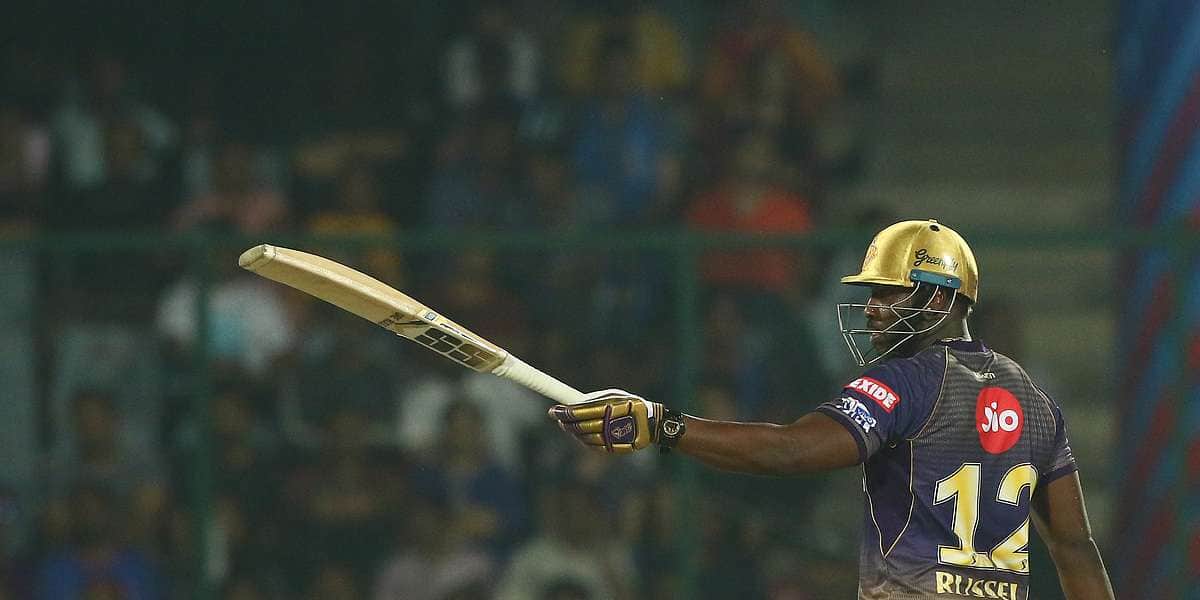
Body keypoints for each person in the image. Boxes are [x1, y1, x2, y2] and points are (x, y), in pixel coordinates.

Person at [548, 220, 1115, 599]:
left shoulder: (905, 381)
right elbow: (1075, 548)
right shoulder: (1036, 401)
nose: (872, 308)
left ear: (940, 297)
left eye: (888, 292)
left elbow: (789, 451)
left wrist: (662, 425)